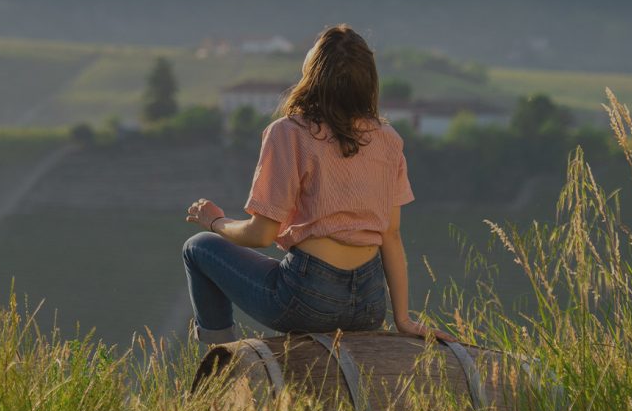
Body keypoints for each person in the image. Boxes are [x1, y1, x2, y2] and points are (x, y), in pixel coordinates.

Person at [182, 24, 456, 349]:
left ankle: (218, 364)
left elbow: (261, 235)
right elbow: (391, 236)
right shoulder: (388, 140)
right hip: (369, 306)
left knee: (198, 247)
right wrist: (403, 320)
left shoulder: (288, 132)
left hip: (309, 299)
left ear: (312, 70)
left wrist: (214, 221)